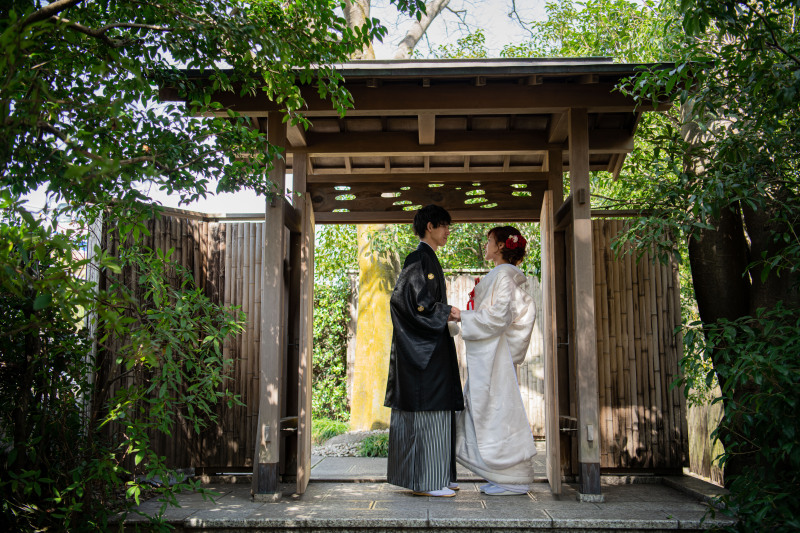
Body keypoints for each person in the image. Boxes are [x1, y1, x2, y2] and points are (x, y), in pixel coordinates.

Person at [450, 226, 538, 496]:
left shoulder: (503, 278)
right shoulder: (503, 277)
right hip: (492, 356)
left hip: (494, 357)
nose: (486, 245)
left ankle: (512, 478)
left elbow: (499, 317)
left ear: (501, 246)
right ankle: (503, 475)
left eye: (489, 240)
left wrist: (461, 315)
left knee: (496, 413)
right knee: (490, 412)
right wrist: (464, 318)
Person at [384, 204, 464, 498]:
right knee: (428, 408)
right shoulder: (418, 258)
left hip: (431, 346)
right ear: (430, 226)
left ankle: (439, 474)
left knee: (438, 408)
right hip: (422, 352)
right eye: (444, 226)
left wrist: (441, 313)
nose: (447, 233)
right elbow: (406, 302)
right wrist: (444, 311)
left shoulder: (426, 259)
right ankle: (427, 480)